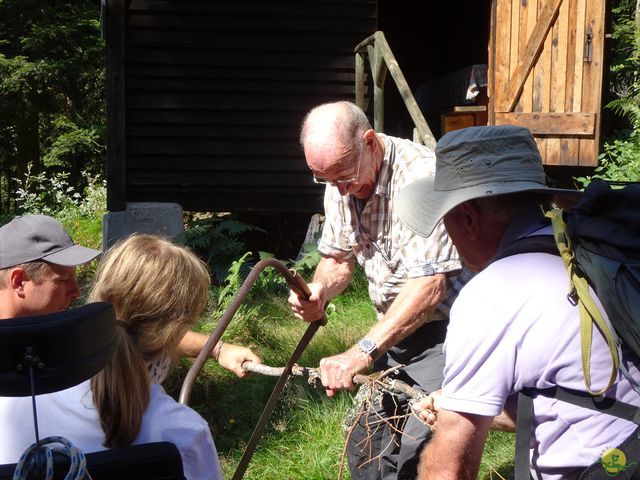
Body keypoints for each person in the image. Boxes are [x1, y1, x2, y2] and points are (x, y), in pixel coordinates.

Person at [396, 125, 640, 479]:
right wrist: (460, 402)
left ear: (467, 218)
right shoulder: (582, 245)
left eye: (444, 217)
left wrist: (451, 426)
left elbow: (449, 471)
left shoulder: (489, 298)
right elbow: (568, 390)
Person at [288, 101, 469, 479]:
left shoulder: (423, 177)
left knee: (422, 451)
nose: (338, 188)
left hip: (452, 331)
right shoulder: (340, 181)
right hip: (395, 328)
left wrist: (362, 351)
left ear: (369, 142)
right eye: (325, 179)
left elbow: (430, 286)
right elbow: (338, 258)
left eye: (343, 176)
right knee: (366, 447)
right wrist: (319, 289)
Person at [0, 214, 260, 376]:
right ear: (20, 281)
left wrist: (218, 348)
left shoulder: (66, 327)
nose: (77, 291)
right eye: (64, 279)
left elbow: (139, 330)